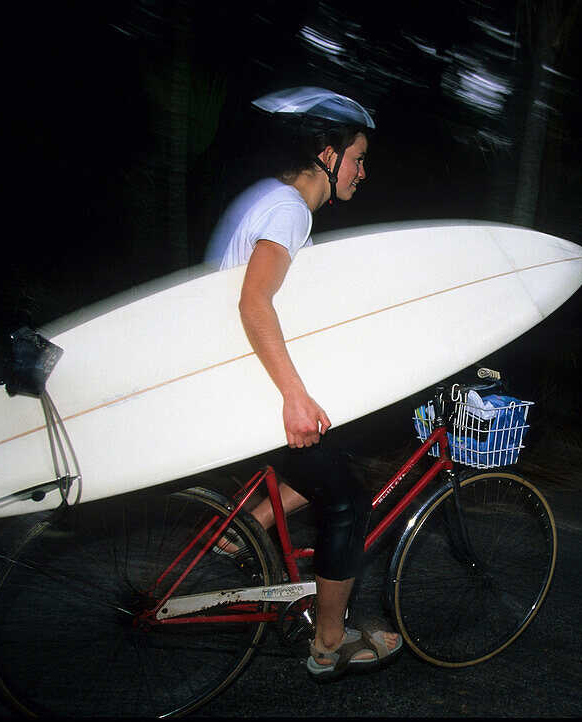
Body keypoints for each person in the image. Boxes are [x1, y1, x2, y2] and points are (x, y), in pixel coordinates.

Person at [205, 87, 401, 682]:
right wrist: (293, 395)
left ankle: (247, 530)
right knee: (346, 500)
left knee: (345, 441)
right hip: (250, 392)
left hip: (232, 379)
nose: (363, 171)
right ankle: (329, 644)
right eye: (358, 158)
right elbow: (255, 301)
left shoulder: (267, 199)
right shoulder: (290, 209)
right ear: (327, 153)